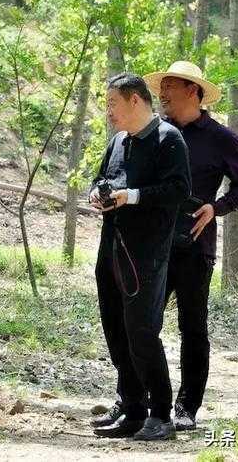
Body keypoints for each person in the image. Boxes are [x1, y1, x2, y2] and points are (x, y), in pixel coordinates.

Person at [144, 60, 238, 430]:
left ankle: (186, 408)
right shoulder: (155, 132)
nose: (162, 94)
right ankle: (139, 401)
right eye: (161, 88)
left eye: (170, 87)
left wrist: (217, 207)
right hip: (152, 246)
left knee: (192, 328)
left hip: (195, 246)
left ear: (192, 91)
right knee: (141, 324)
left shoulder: (221, 138)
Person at [88, 73, 191, 441]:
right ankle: (132, 409)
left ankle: (161, 414)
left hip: (146, 255)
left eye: (112, 103)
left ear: (135, 100)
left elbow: (179, 189)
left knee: (142, 332)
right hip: (111, 249)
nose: (108, 111)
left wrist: (132, 196)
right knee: (115, 329)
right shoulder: (117, 141)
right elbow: (101, 178)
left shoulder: (169, 139)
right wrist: (96, 194)